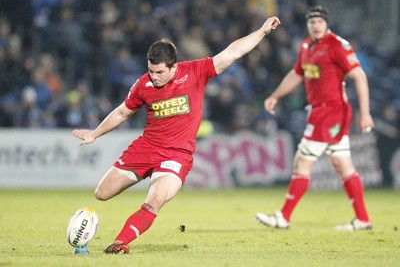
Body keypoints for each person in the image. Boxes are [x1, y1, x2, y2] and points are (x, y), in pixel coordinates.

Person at [72, 16, 281, 254]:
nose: (154, 76)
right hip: (146, 147)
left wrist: (262, 32)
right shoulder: (143, 84)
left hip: (176, 155)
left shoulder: (195, 71)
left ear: (174, 66)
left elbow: (232, 52)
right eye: (150, 70)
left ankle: (120, 243)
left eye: (159, 72)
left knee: (155, 200)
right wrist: (95, 134)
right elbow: (122, 112)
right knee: (102, 193)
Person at [255, 6, 374, 231]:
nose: (315, 25)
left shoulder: (337, 45)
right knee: (342, 164)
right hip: (320, 110)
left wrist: (365, 112)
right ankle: (362, 219)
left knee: (302, 161)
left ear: (326, 24)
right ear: (307, 25)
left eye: (319, 21)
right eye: (312, 22)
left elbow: (359, 75)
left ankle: (283, 217)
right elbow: (296, 73)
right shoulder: (306, 46)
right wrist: (276, 95)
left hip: (331, 111)